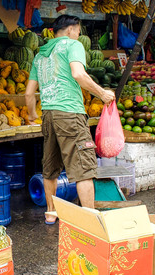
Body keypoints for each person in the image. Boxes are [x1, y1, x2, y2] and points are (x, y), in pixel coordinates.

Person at [24, 15, 115, 224]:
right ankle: (90, 219)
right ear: (70, 30)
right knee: (83, 168)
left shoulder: (41, 55)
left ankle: (50, 213)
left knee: (50, 166)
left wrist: (31, 115)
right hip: (70, 114)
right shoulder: (72, 46)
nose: (79, 35)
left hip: (48, 114)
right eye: (78, 31)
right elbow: (78, 74)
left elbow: (29, 94)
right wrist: (102, 93)